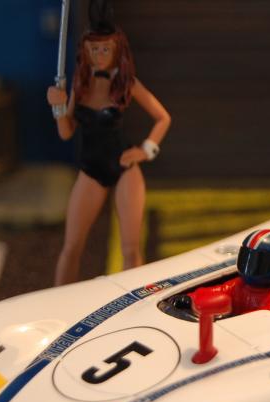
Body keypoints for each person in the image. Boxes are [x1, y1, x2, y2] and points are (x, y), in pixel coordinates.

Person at [46, 11, 170, 286]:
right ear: (85, 51)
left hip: (124, 168)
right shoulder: (79, 85)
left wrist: (145, 150)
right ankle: (57, 301)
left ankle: (133, 302)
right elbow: (66, 132)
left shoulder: (126, 82)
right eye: (94, 49)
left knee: (131, 249)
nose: (99, 55)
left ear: (117, 50)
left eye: (105, 49)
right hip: (91, 169)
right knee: (72, 246)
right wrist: (58, 106)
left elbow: (163, 117)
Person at [177, 229, 270, 316]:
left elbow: (262, 319)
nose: (250, 266)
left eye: (260, 262)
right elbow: (215, 291)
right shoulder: (239, 284)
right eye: (247, 258)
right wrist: (190, 298)